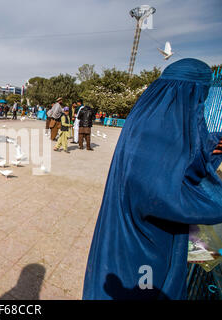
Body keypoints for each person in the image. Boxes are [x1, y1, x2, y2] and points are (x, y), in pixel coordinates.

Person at [83, 58, 222, 300]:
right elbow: (170, 195)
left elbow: (179, 160)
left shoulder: (150, 120)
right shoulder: (156, 136)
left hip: (133, 234)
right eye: (200, 98)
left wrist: (210, 145)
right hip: (142, 251)